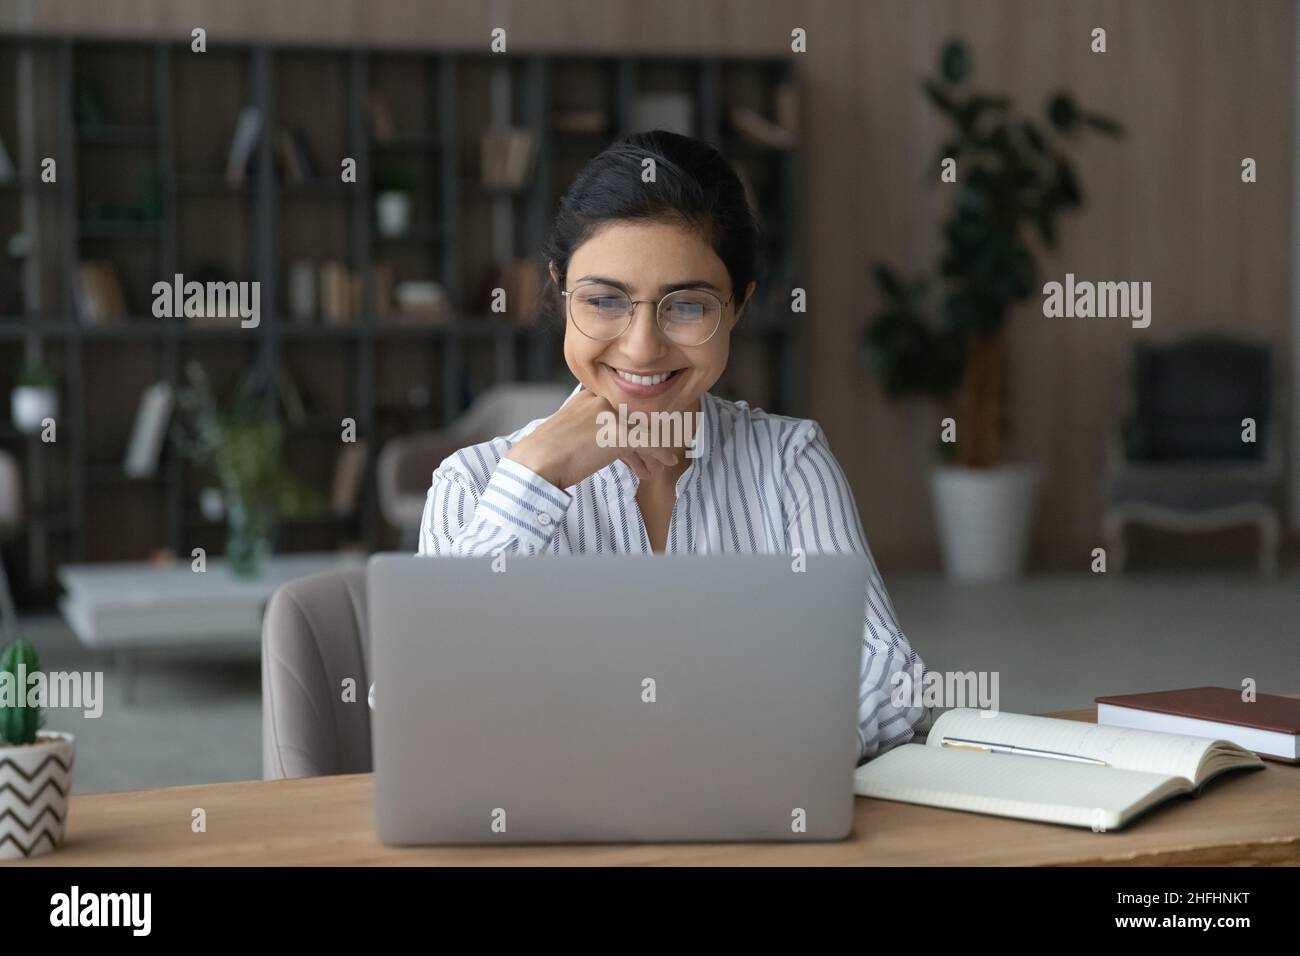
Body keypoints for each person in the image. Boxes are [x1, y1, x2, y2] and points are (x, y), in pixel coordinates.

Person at [415, 129, 928, 761]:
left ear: (739, 305)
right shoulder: (472, 483)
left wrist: (772, 752)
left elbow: (890, 674)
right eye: (604, 301)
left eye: (685, 307)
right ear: (558, 290)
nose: (641, 348)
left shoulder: (787, 463)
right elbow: (433, 704)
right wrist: (533, 477)